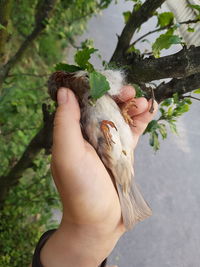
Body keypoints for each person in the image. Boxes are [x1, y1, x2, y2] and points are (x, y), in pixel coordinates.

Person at [32, 85, 158, 267]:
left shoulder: (93, 98)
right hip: (115, 151)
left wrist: (92, 230)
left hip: (117, 149)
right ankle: (126, 197)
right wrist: (95, 229)